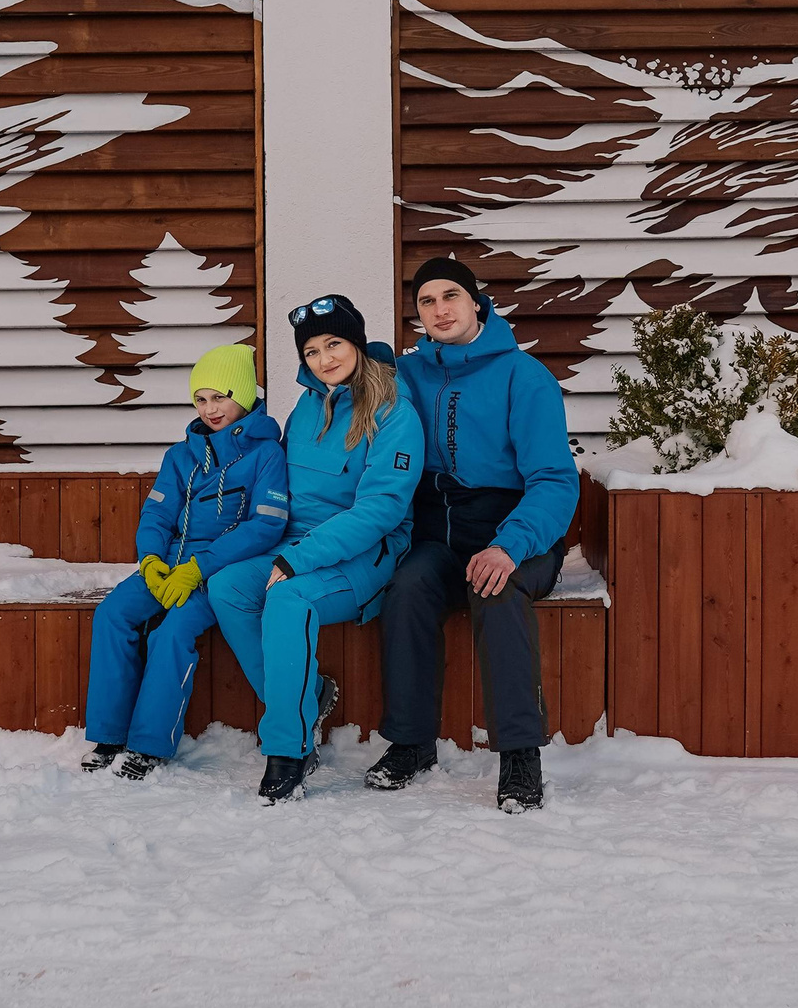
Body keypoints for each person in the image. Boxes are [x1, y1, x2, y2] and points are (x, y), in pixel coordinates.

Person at [368, 255, 578, 812]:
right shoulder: (408, 375)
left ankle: (519, 754)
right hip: (438, 529)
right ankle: (411, 743)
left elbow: (555, 480)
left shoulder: (524, 376)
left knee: (496, 589)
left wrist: (509, 545)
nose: (440, 310)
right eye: (426, 302)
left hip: (516, 528)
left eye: (450, 296)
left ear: (476, 302)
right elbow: (351, 379)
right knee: (407, 588)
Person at [200, 295, 423, 804]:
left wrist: (296, 560)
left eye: (334, 344)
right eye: (312, 351)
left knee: (288, 599)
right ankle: (306, 699)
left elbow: (381, 509)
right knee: (228, 586)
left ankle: (289, 749)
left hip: (365, 555)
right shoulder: (307, 405)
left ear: (357, 344)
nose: (324, 358)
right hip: (295, 544)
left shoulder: (393, 413)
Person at [80, 343, 289, 780]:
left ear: (246, 395)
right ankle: (109, 734)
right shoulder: (181, 456)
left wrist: (200, 568)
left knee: (172, 632)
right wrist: (152, 560)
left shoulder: (266, 454)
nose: (211, 408)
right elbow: (157, 512)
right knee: (112, 613)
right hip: (168, 567)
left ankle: (149, 744)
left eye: (221, 396)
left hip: (215, 575)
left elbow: (265, 526)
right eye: (201, 398)